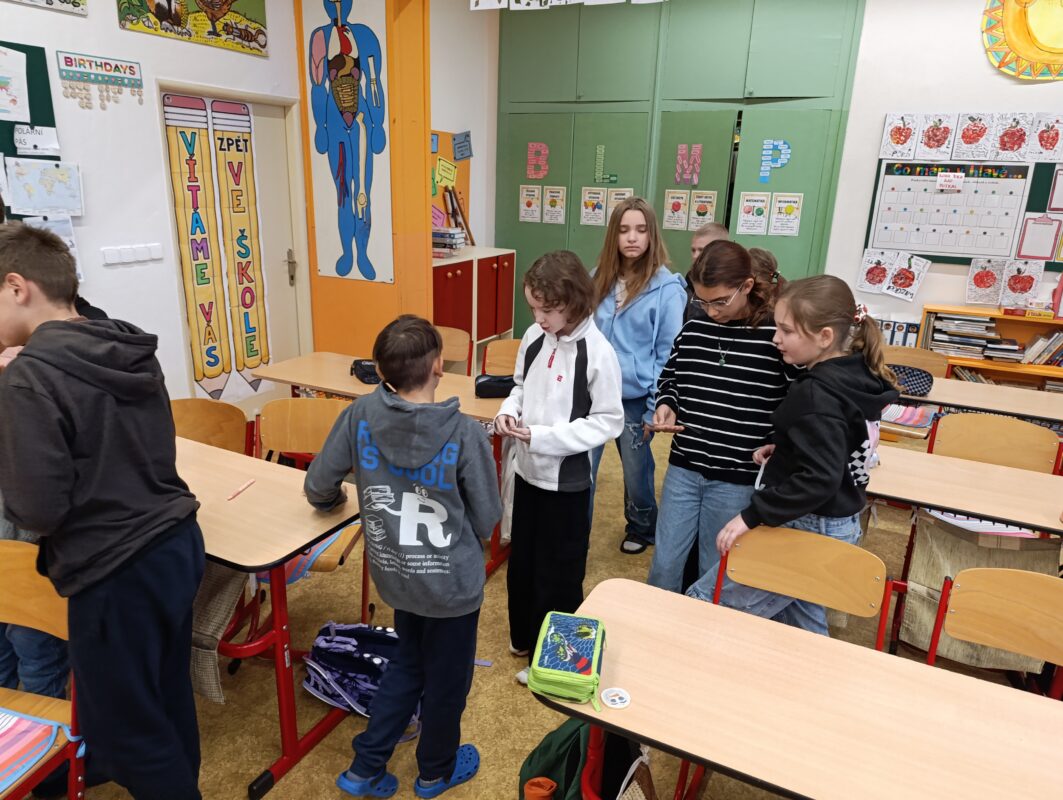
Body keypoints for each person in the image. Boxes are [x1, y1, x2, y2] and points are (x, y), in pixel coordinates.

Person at [0, 223, 204, 799]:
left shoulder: (28, 378)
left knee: (127, 731)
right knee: (166, 695)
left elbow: (36, 509)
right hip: (175, 541)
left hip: (113, 567)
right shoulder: (122, 341)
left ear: (17, 287)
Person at [305, 315, 501, 799]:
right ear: (439, 366)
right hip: (451, 587)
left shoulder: (359, 415)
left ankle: (365, 767)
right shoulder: (465, 433)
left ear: (380, 370)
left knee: (408, 664)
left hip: (396, 576)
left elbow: (318, 486)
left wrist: (334, 501)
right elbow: (488, 517)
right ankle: (435, 772)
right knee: (448, 683)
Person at [686, 275, 900, 635]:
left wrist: (752, 516)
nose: (776, 338)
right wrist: (787, 447)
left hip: (808, 523)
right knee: (800, 624)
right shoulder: (854, 375)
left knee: (706, 601)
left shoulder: (817, 393)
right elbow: (834, 443)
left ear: (824, 337)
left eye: (786, 331)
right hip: (835, 523)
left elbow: (820, 477)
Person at [496, 251, 623, 684]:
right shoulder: (535, 336)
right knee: (524, 563)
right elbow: (518, 388)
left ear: (574, 302)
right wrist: (508, 412)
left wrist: (543, 437)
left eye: (548, 309)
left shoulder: (598, 352)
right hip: (526, 473)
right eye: (534, 307)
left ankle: (558, 659)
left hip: (566, 484)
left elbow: (608, 421)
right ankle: (526, 638)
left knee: (561, 572)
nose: (539, 317)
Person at [647, 241, 794, 594]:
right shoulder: (693, 330)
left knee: (715, 571)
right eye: (702, 301)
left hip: (737, 477)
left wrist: (779, 443)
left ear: (747, 286)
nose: (711, 311)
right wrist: (667, 403)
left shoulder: (774, 338)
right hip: (685, 466)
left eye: (720, 302)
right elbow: (671, 378)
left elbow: (794, 401)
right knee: (665, 564)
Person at [590, 197, 686, 554]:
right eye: (624, 230)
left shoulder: (667, 289)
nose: (632, 238)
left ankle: (642, 527)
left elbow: (668, 355)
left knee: (636, 471)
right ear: (613, 236)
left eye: (641, 230)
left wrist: (652, 406)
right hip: (594, 395)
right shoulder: (597, 278)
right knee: (582, 468)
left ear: (651, 235)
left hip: (635, 398)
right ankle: (574, 528)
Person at [684, 222, 730, 323]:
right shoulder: (687, 285)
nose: (695, 256)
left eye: (701, 250)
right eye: (693, 250)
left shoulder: (733, 287)